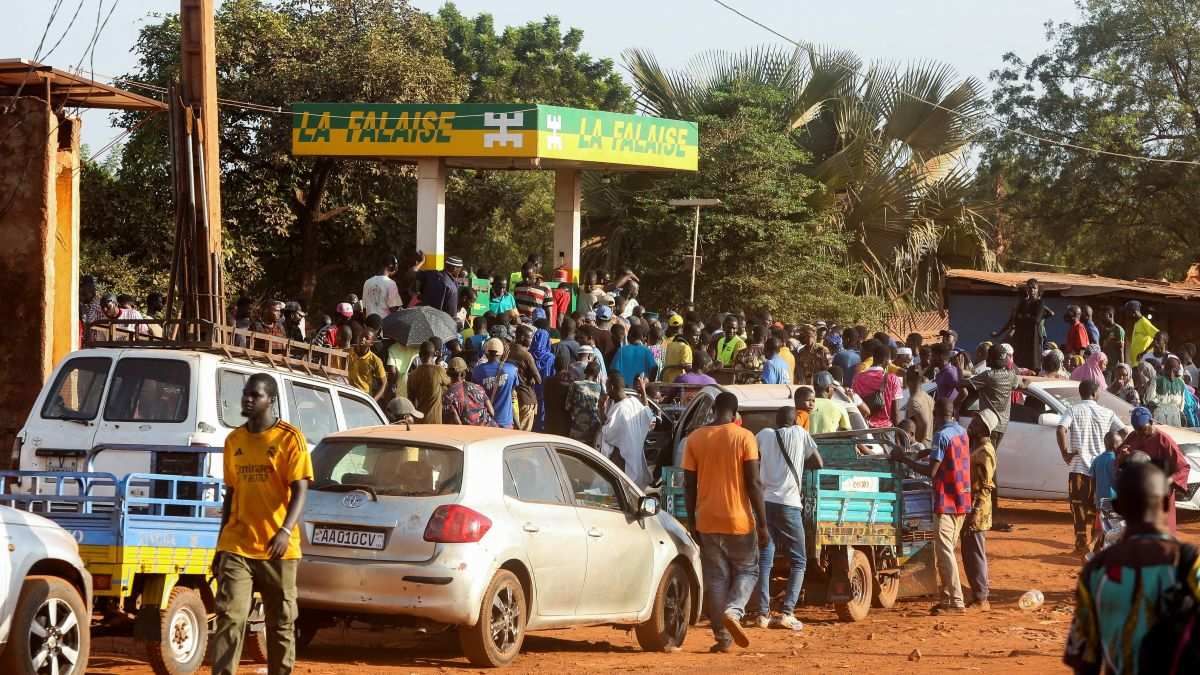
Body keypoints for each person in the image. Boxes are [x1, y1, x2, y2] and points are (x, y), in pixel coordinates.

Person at [211, 373, 312, 675]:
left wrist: (284, 531)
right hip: (238, 544)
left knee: (281, 622)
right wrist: (220, 545)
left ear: (271, 400)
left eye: (255, 395)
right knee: (230, 617)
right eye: (246, 394)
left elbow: (301, 489)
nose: (248, 399)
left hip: (278, 548)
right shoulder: (234, 441)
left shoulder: (289, 438)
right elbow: (231, 494)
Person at [1063, 461, 1200, 674]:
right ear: (1166, 503)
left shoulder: (1096, 571)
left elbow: (1084, 660)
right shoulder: (1189, 562)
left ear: (1117, 508)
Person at [683, 392, 768, 652]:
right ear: (736, 412)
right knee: (748, 570)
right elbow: (753, 483)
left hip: (707, 519)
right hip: (739, 520)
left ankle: (723, 638)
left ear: (713, 410)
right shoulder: (744, 437)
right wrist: (763, 524)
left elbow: (688, 485)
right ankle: (734, 610)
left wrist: (692, 520)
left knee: (716, 578)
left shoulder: (695, 438)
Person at [892, 398, 971, 614]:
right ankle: (947, 598)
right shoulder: (960, 432)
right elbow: (948, 455)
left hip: (945, 500)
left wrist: (904, 459)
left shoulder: (940, 435)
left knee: (944, 552)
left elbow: (931, 472)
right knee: (945, 552)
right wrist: (924, 453)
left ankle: (955, 601)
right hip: (962, 499)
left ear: (935, 415)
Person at [748, 406, 821, 631]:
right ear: (794, 421)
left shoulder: (764, 435)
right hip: (789, 504)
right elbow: (818, 462)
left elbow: (755, 459)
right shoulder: (800, 434)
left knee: (765, 559)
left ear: (776, 421)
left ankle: (762, 614)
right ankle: (787, 612)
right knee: (799, 560)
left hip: (766, 503)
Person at [1057, 378, 1130, 555]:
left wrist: (1065, 452)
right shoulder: (1107, 412)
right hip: (1101, 468)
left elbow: (1061, 429)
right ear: (1094, 393)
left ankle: (1081, 542)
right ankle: (1095, 542)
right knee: (1098, 508)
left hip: (1079, 467)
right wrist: (1115, 447)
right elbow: (1124, 431)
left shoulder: (1073, 410)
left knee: (1078, 506)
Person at [1120, 406, 1190, 533]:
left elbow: (1183, 467)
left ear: (1151, 422)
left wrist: (1167, 480)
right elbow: (1119, 462)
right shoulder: (1133, 437)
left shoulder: (1165, 440)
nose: (1140, 433)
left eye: (1142, 429)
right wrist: (1122, 457)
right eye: (1136, 430)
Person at [963, 409, 998, 611]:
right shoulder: (978, 448)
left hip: (977, 507)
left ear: (984, 428)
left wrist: (974, 511)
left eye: (976, 421)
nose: (972, 424)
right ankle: (978, 594)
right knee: (970, 552)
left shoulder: (985, 451)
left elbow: (986, 485)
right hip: (973, 505)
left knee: (975, 552)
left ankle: (981, 597)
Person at [600, 374, 656, 489]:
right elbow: (647, 412)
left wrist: (600, 409)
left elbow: (607, 434)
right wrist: (644, 391)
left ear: (611, 387)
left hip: (624, 469)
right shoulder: (634, 402)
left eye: (607, 387)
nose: (607, 391)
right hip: (637, 468)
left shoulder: (619, 410)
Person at [993, 278, 1054, 371]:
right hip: (1021, 337)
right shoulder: (1023, 303)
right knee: (1020, 363)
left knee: (1033, 363)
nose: (1032, 290)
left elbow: (1036, 320)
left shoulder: (1039, 303)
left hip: (1033, 337)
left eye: (1034, 288)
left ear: (1038, 290)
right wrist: (1026, 317)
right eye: (1029, 288)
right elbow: (1015, 319)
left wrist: (1023, 317)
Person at [471, 338, 520, 429]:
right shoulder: (512, 370)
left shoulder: (477, 371)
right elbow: (511, 392)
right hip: (505, 422)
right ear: (502, 353)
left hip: (486, 422)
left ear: (486, 353)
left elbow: (476, 396)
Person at [852, 342, 903, 428]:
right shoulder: (893, 379)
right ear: (886, 360)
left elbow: (855, 403)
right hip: (886, 429)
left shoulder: (858, 378)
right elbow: (895, 413)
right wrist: (898, 432)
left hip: (865, 428)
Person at [406, 340, 451, 423]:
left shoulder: (412, 375)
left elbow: (410, 401)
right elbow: (450, 383)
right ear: (435, 354)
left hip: (419, 420)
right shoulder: (439, 370)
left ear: (419, 355)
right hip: (435, 420)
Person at [442, 357, 496, 427]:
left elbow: (456, 424)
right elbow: (492, 412)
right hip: (489, 429)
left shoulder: (448, 395)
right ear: (464, 373)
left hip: (470, 434)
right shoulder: (478, 387)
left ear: (448, 374)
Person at [566, 360, 605, 446]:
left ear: (585, 371)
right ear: (597, 375)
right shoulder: (598, 388)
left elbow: (567, 406)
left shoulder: (575, 385)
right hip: (592, 428)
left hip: (577, 426)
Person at [1151, 354, 1187, 426]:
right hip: (1172, 415)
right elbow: (1182, 403)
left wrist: (1160, 406)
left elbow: (1150, 398)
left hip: (1160, 414)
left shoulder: (1156, 380)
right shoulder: (1181, 383)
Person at [903, 366, 934, 445]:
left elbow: (924, 424)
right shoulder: (928, 397)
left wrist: (917, 445)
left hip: (922, 447)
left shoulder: (914, 401)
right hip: (930, 443)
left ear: (907, 380)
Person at [1124, 300, 1159, 365]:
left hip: (1143, 362)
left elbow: (1158, 336)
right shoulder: (1137, 323)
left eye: (1128, 312)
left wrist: (1144, 353)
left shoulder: (1144, 322)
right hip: (1135, 362)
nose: (1127, 315)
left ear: (1134, 312)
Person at [661, 317, 695, 384]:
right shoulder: (685, 347)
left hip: (666, 381)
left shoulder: (670, 345)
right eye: (674, 328)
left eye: (678, 327)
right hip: (678, 384)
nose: (676, 330)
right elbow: (687, 368)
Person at [1097, 306, 1125, 380]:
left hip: (1113, 367)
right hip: (1104, 365)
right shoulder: (1104, 330)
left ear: (1110, 315)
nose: (1102, 318)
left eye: (1103, 316)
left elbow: (1121, 349)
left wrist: (1122, 367)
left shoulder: (1118, 329)